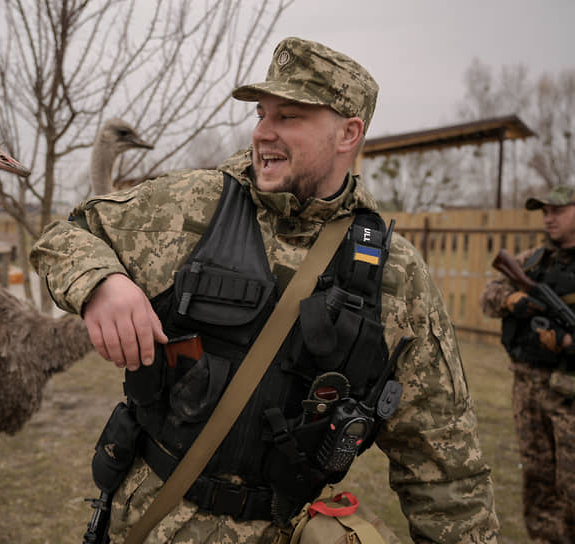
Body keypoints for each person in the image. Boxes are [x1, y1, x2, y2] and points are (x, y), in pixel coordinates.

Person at [31, 38, 498, 543]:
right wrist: (102, 283)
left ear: (349, 133)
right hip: (147, 523)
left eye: (289, 117)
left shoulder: (397, 278)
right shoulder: (193, 206)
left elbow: (446, 469)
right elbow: (67, 235)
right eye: (261, 113)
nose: (262, 132)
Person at [480, 185, 575, 542]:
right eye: (544, 211)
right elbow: (487, 296)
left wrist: (566, 342)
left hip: (569, 396)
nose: (549, 218)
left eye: (558, 210)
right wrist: (512, 299)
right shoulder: (534, 260)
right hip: (529, 389)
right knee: (536, 478)